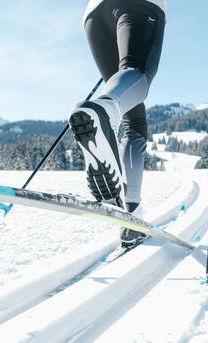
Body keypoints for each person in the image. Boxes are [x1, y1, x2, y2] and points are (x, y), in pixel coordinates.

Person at [69, 0, 166, 248]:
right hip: (138, 6)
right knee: (137, 75)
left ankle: (132, 216)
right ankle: (104, 109)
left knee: (132, 115)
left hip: (94, 16)